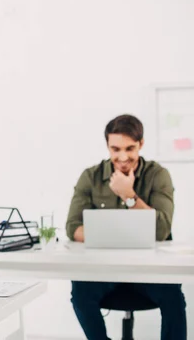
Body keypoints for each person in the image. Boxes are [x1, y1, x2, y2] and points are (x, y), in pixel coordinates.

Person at [66, 114, 186, 340]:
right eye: (115, 149)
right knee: (80, 291)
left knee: (174, 297)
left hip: (149, 271)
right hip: (104, 270)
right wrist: (121, 235)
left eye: (130, 148)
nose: (122, 157)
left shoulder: (158, 175)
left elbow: (161, 230)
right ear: (107, 146)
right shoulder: (90, 176)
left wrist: (129, 196)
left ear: (141, 144)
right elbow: (73, 227)